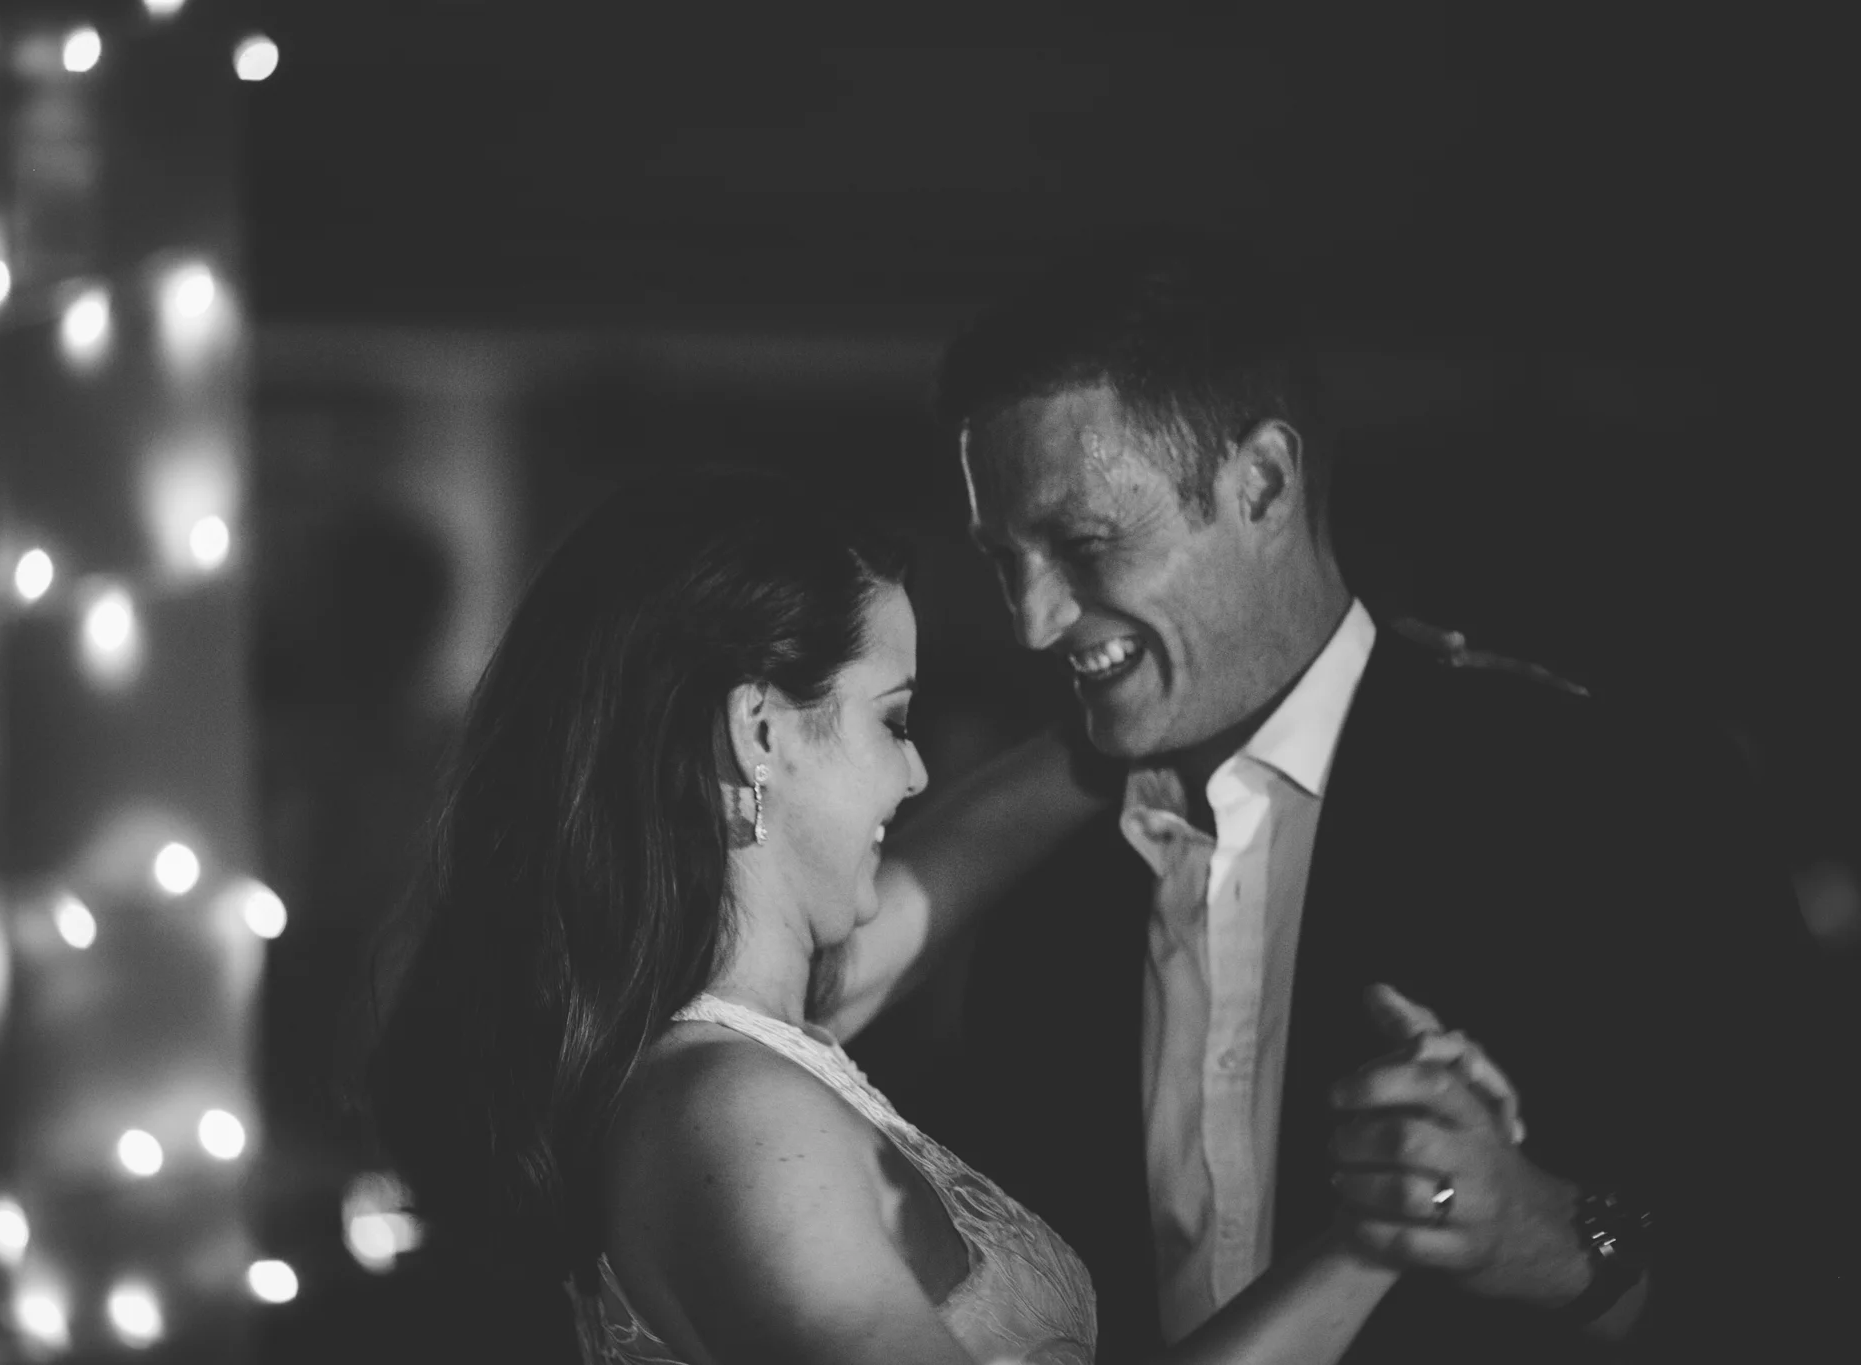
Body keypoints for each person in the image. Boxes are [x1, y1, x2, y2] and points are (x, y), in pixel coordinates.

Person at [359, 469, 1539, 1364]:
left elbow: (945, 874)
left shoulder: (748, 1051)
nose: (917, 774)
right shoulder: (736, 1119)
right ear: (759, 732)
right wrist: (1377, 1236)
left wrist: (1172, 697)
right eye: (893, 719)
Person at [902, 259, 1851, 1361]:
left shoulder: (1618, 795)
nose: (1030, 622)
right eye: (1003, 559)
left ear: (1263, 483)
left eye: (1084, 543)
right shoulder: (1043, 898)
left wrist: (1556, 1240)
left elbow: (1809, 1276)